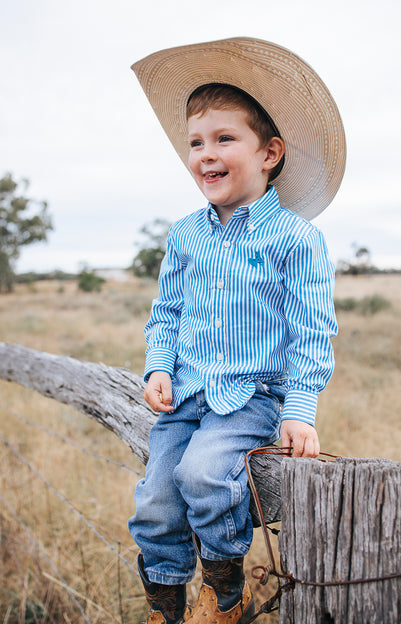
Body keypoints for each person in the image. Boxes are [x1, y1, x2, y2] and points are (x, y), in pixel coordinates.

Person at [128, 37, 346, 624]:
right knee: (155, 496)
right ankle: (164, 603)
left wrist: (300, 409)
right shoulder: (185, 235)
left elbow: (311, 331)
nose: (206, 154)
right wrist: (158, 366)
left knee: (204, 475)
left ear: (270, 152)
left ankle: (224, 591)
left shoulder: (297, 239)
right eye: (196, 143)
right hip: (187, 394)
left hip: (250, 396)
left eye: (225, 139)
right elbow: (167, 311)